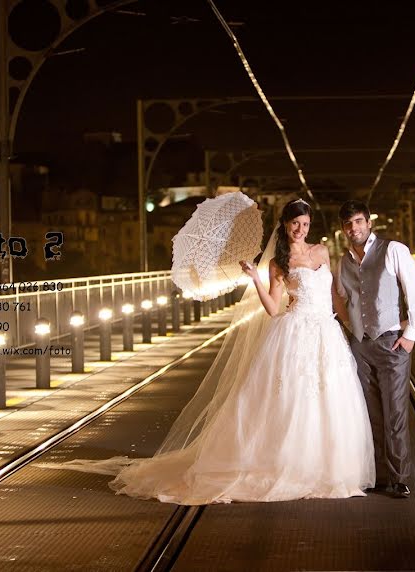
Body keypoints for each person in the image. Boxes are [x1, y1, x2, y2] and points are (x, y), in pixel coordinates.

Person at [49, 198, 374, 505]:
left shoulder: (322, 252)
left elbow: (333, 294)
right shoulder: (279, 262)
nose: (300, 230)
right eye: (294, 224)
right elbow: (275, 309)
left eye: (304, 224)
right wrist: (256, 280)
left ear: (310, 224)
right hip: (294, 332)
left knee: (327, 400)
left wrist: (351, 326)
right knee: (292, 401)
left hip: (325, 333)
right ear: (285, 226)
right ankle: (287, 465)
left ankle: (323, 467)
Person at [336, 200, 415, 499]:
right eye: (349, 224)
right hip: (360, 346)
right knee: (369, 413)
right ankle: (377, 474)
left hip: (391, 342)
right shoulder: (342, 262)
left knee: (396, 412)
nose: (354, 228)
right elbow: (342, 300)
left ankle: (399, 477)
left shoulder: (393, 249)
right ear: (343, 228)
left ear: (369, 223)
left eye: (359, 221)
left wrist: (411, 333)